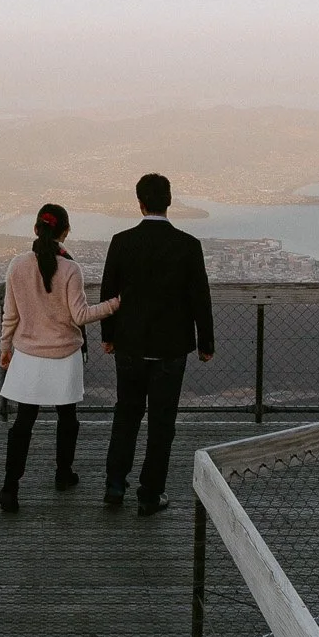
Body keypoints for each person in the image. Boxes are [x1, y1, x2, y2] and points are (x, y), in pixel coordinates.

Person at [98, 173, 214, 515]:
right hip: (171, 348)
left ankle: (114, 486)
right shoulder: (188, 245)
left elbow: (108, 293)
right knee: (162, 422)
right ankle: (150, 493)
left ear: (140, 203)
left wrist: (108, 335)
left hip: (129, 345)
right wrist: (205, 342)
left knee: (126, 415)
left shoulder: (121, 242)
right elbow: (200, 298)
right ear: (169, 201)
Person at [0, 203, 120, 512]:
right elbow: (79, 315)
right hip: (65, 355)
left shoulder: (17, 265)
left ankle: (10, 488)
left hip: (28, 355)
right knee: (67, 418)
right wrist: (114, 304)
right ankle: (63, 473)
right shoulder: (70, 269)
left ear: (36, 229)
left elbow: (10, 315)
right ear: (65, 231)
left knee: (24, 422)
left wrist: (5, 348)